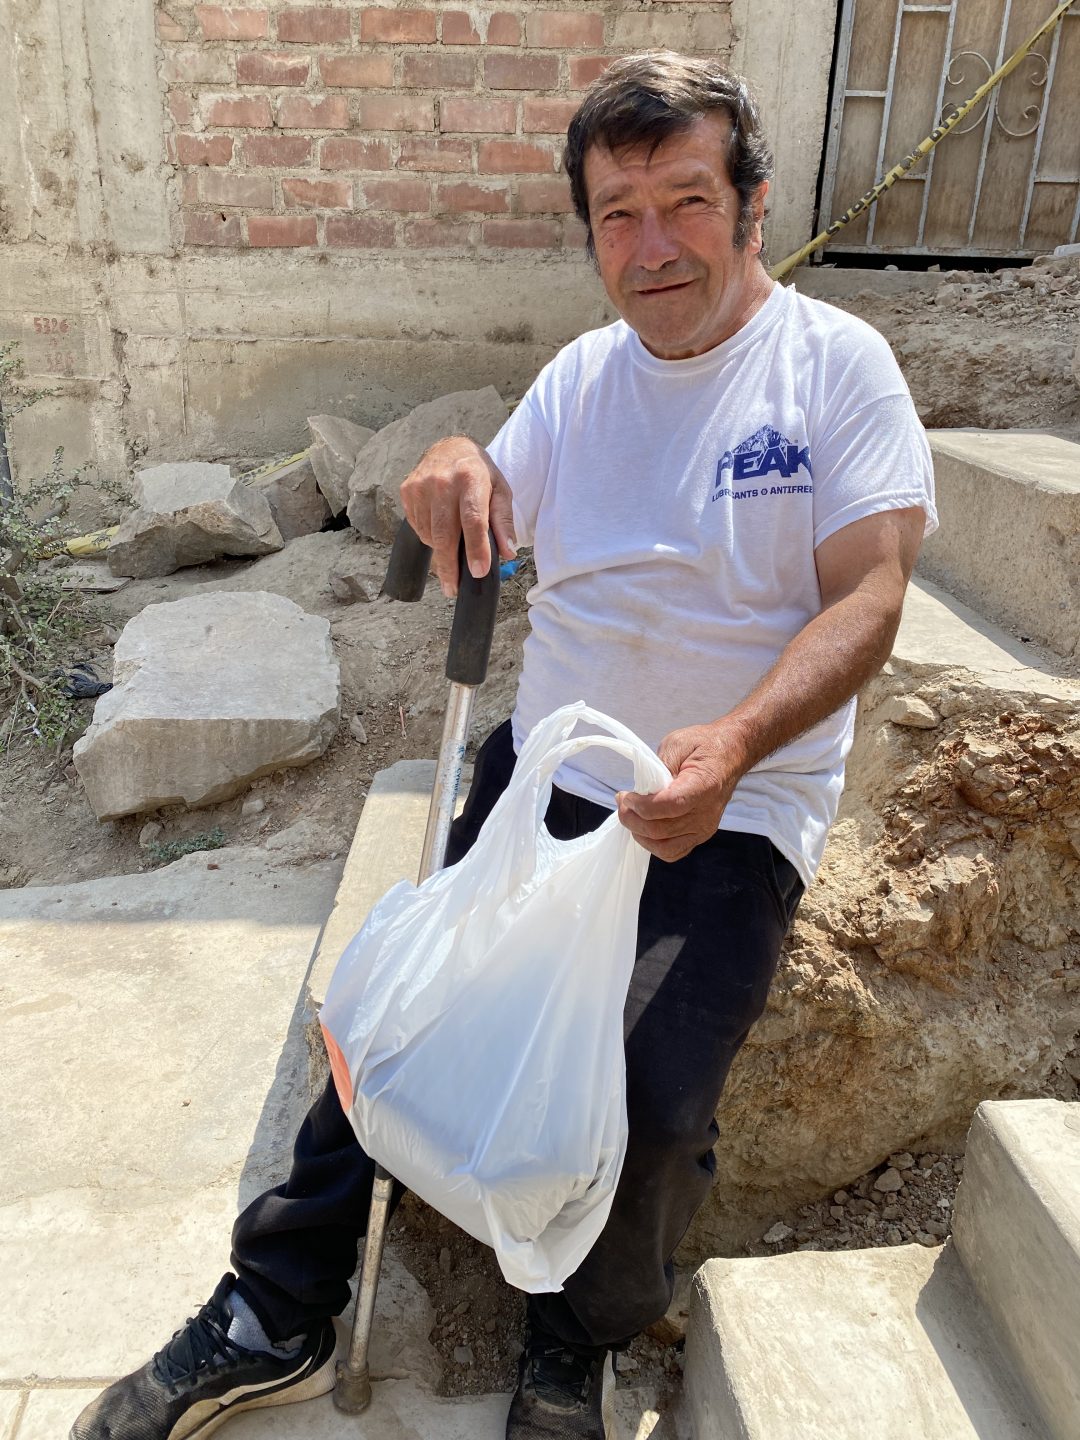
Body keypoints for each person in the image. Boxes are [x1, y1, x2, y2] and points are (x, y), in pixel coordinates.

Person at [72, 51, 936, 1440]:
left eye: (687, 201)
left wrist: (731, 743)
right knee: (390, 1020)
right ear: (589, 231)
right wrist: (460, 464)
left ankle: (573, 1348)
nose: (653, 247)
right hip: (547, 779)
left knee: (650, 1095)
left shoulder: (836, 369)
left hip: (731, 806)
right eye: (618, 215)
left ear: (753, 207)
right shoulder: (583, 379)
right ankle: (274, 1311)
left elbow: (870, 596)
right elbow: (486, 500)